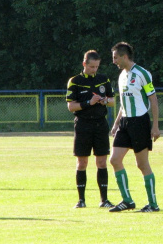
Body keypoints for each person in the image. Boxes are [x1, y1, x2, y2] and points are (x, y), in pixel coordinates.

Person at [108, 42, 161, 213]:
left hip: (140, 122)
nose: (113, 61)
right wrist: (116, 124)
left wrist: (156, 126)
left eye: (115, 57)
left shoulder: (142, 74)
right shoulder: (122, 75)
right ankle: (127, 200)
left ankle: (153, 204)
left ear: (124, 56)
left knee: (142, 164)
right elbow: (123, 103)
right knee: (114, 160)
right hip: (125, 122)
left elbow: (153, 99)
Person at [66, 50, 115, 209]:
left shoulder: (103, 79)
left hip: (100, 124)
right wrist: (89, 102)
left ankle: (104, 200)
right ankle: (81, 200)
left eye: (97, 67)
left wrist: (104, 100)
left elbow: (113, 102)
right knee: (82, 162)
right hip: (83, 125)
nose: (94, 70)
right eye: (92, 67)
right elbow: (71, 106)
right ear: (84, 64)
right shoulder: (75, 81)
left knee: (102, 161)